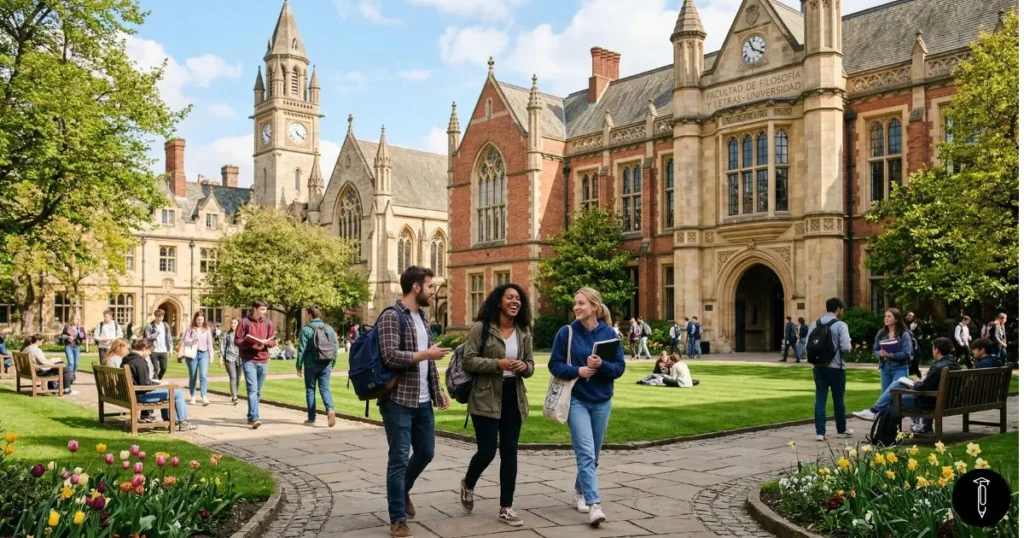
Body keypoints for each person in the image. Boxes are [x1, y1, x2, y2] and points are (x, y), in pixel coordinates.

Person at [376, 266, 450, 538]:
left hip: (422, 402)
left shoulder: (423, 318)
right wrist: (424, 354)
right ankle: (398, 519)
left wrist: (437, 390)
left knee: (427, 452)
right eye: (430, 286)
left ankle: (402, 489)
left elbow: (429, 365)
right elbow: (390, 356)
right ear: (416, 287)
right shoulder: (391, 317)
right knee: (397, 459)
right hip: (396, 400)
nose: (434, 291)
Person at [548, 287, 626, 527]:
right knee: (585, 452)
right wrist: (578, 371)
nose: (576, 307)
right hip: (577, 400)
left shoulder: (610, 335)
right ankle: (594, 504)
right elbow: (554, 365)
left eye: (581, 303)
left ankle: (580, 492)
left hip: (602, 401)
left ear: (594, 306)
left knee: (594, 454)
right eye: (575, 303)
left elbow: (619, 368)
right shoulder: (567, 332)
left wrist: (602, 365)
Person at [459, 283, 535, 527]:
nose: (515, 301)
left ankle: (506, 507)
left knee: (510, 452)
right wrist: (497, 364)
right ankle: (468, 483)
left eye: (518, 298)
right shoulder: (481, 329)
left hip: (513, 395)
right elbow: (468, 361)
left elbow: (531, 364)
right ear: (498, 301)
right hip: (485, 396)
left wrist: (524, 367)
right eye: (510, 297)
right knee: (487, 451)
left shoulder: (523, 331)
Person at [852, 308, 914, 422]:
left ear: (896, 319)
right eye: (885, 316)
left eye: (889, 316)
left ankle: (877, 414)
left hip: (900, 368)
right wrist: (880, 354)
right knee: (885, 396)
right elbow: (875, 349)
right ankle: (884, 426)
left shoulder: (904, 334)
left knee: (895, 397)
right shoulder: (881, 333)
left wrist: (889, 354)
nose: (886, 318)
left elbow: (907, 354)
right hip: (885, 368)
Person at [122, 339, 198, 431]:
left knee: (166, 391)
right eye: (149, 351)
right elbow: (145, 384)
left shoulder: (126, 360)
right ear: (143, 348)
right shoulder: (139, 362)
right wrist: (159, 384)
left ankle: (171, 420)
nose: (149, 354)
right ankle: (183, 422)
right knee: (177, 393)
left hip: (129, 394)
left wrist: (155, 383)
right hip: (139, 396)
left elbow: (141, 381)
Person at [809, 298, 854, 442]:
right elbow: (846, 347)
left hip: (818, 367)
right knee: (838, 399)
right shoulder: (841, 325)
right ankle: (841, 430)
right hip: (836, 367)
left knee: (820, 399)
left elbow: (807, 347)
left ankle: (820, 433)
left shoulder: (814, 324)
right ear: (838, 310)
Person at [896, 338, 960, 434]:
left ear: (937, 350)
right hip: (949, 402)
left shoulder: (938, 367)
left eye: (933, 348)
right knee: (929, 395)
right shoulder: (955, 364)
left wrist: (916, 383)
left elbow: (922, 388)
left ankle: (889, 431)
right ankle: (926, 427)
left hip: (933, 403)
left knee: (896, 398)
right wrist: (924, 381)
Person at [235, 298, 277, 430]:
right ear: (254, 308)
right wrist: (252, 345)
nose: (264, 312)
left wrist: (266, 343)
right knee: (252, 389)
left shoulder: (269, 323)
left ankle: (250, 414)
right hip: (249, 360)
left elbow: (273, 341)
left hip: (263, 360)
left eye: (265, 309)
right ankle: (255, 418)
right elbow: (237, 340)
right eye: (262, 309)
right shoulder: (244, 322)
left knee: (258, 391)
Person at [296, 305, 339, 427]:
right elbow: (335, 347)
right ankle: (330, 410)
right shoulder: (329, 328)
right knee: (325, 389)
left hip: (311, 364)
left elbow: (301, 350)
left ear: (310, 315)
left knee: (310, 390)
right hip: (326, 363)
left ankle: (311, 417)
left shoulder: (306, 329)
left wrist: (298, 366)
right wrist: (332, 362)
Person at [181, 312, 215, 406]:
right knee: (193, 376)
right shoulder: (190, 328)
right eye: (198, 319)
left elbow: (209, 343)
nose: (200, 321)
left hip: (203, 354)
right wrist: (193, 340)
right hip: (193, 354)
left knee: (203, 376)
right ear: (195, 319)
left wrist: (211, 356)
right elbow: (185, 340)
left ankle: (204, 396)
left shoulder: (207, 329)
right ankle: (192, 396)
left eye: (201, 319)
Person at [144, 309, 173, 380]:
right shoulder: (150, 326)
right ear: (155, 316)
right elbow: (147, 338)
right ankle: (156, 383)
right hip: (154, 350)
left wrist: (171, 348)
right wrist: (156, 334)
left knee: (164, 368)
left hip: (163, 350)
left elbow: (169, 337)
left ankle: (158, 380)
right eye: (158, 316)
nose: (160, 318)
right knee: (155, 369)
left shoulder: (165, 325)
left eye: (162, 316)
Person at [220, 318, 243, 405]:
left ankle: (234, 393)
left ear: (238, 324)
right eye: (232, 323)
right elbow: (223, 346)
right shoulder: (227, 334)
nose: (233, 325)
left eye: (235, 323)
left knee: (238, 378)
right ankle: (235, 397)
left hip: (240, 358)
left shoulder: (242, 335)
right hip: (230, 357)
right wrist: (221, 358)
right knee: (233, 377)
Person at [59, 314, 86, 385]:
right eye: (74, 319)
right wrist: (68, 337)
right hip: (69, 346)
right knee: (71, 363)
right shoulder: (67, 327)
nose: (75, 321)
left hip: (77, 346)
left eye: (77, 319)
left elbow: (83, 337)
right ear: (71, 320)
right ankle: (69, 378)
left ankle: (73, 376)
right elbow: (62, 336)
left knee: (76, 364)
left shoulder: (80, 328)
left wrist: (82, 335)